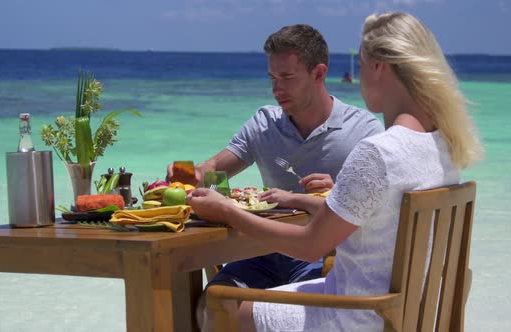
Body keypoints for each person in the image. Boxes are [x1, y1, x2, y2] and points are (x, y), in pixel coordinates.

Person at [187, 11, 483, 331]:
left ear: (378, 67)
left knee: (218, 306)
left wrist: (228, 211)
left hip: (354, 314)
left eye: (363, 64)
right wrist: (299, 200)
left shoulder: (377, 151)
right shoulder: (443, 146)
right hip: (404, 309)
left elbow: (310, 246)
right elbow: (378, 214)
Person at [167, 24, 384, 329]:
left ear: (318, 74)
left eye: (287, 78)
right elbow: (216, 172)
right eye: (272, 78)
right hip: (261, 251)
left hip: (326, 259)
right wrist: (193, 176)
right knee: (210, 308)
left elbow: (378, 214)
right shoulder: (264, 124)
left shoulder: (363, 131)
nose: (276, 89)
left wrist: (339, 190)